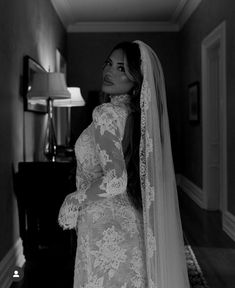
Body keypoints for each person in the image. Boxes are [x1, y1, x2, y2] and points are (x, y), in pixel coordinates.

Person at [58, 40, 190, 288]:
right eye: (109, 63)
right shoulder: (137, 117)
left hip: (104, 228)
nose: (109, 71)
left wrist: (73, 199)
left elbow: (116, 180)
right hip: (131, 222)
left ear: (136, 80)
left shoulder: (105, 113)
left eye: (122, 68)